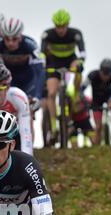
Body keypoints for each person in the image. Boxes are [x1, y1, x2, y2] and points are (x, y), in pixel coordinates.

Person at [41, 9, 86, 143]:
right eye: (58, 26)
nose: (60, 30)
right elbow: (42, 53)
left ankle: (74, 93)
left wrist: (81, 63)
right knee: (51, 93)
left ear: (67, 24)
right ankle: (54, 127)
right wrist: (43, 65)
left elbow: (82, 52)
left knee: (76, 67)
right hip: (54, 63)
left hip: (70, 62)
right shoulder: (47, 34)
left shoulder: (75, 34)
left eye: (63, 26)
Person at [0, 18, 45, 117]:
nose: (10, 43)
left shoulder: (31, 45)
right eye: (7, 39)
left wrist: (37, 96)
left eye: (14, 39)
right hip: (10, 80)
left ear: (20, 36)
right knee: (5, 111)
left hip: (28, 81)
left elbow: (40, 72)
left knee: (28, 111)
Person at [81, 59, 111, 145]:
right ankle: (96, 147)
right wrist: (85, 101)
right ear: (100, 71)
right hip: (96, 101)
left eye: (108, 75)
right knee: (98, 127)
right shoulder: (92, 75)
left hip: (109, 96)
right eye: (104, 74)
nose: (106, 77)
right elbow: (81, 89)